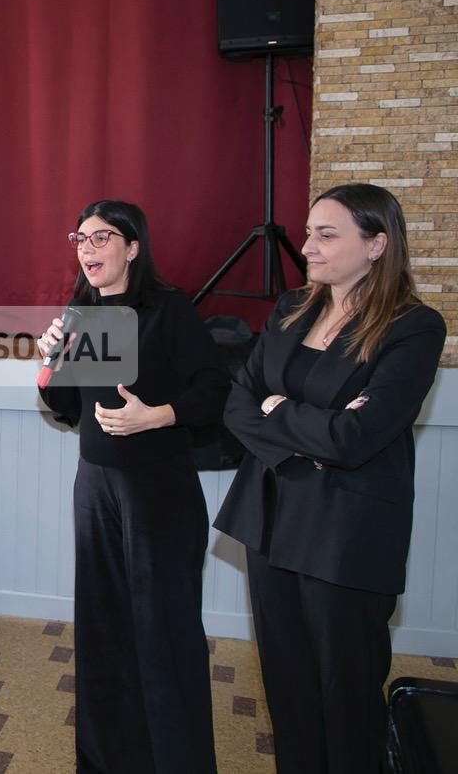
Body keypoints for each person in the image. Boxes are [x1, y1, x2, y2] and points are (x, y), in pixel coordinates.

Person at [214, 184, 445, 774]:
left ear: (376, 244)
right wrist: (308, 427)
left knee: (346, 693)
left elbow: (355, 438)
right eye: (309, 232)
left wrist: (279, 409)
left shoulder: (414, 327)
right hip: (272, 517)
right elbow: (238, 406)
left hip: (347, 531)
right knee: (286, 685)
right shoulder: (291, 307)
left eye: (326, 234)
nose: (308, 246)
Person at [36, 200, 228, 774]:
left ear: (133, 247)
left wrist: (158, 415)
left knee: (163, 631)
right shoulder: (85, 312)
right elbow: (69, 407)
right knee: (102, 630)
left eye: (101, 238)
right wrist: (49, 363)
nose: (87, 249)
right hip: (95, 487)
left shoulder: (169, 309)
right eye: (80, 239)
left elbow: (215, 391)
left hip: (157, 489)